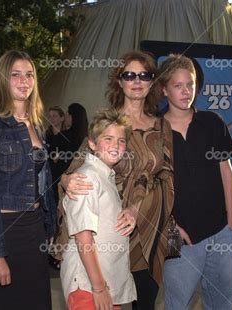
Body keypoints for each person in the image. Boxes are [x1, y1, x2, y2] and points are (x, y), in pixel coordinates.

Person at [58, 50, 174, 310]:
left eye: (145, 75)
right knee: (104, 297)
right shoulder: (107, 123)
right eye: (129, 74)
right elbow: (79, 166)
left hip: (146, 230)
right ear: (119, 81)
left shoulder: (162, 127)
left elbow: (167, 176)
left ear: (153, 82)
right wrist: (66, 181)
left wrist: (137, 207)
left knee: (144, 302)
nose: (137, 80)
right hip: (105, 232)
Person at [0, 50, 55, 310]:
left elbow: (42, 181)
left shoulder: (37, 125)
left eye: (29, 75)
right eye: (15, 75)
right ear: (2, 80)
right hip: (5, 232)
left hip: (34, 229)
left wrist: (49, 226)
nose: (24, 81)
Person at [159, 54, 232, 310]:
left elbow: (226, 170)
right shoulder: (154, 131)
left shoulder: (212, 122)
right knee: (178, 304)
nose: (186, 91)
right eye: (178, 85)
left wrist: (231, 222)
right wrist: (171, 226)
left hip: (221, 230)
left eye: (190, 84)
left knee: (222, 301)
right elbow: (153, 187)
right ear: (164, 89)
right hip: (181, 236)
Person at [60, 108, 136, 310]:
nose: (116, 145)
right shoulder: (88, 177)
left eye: (121, 140)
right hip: (89, 286)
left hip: (105, 282)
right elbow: (83, 237)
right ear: (92, 144)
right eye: (108, 139)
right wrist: (99, 287)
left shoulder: (105, 176)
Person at [46, 106, 77, 202]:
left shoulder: (68, 136)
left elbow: (68, 156)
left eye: (54, 116)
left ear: (62, 118)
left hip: (61, 175)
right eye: (50, 116)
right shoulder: (46, 136)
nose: (51, 119)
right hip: (47, 174)